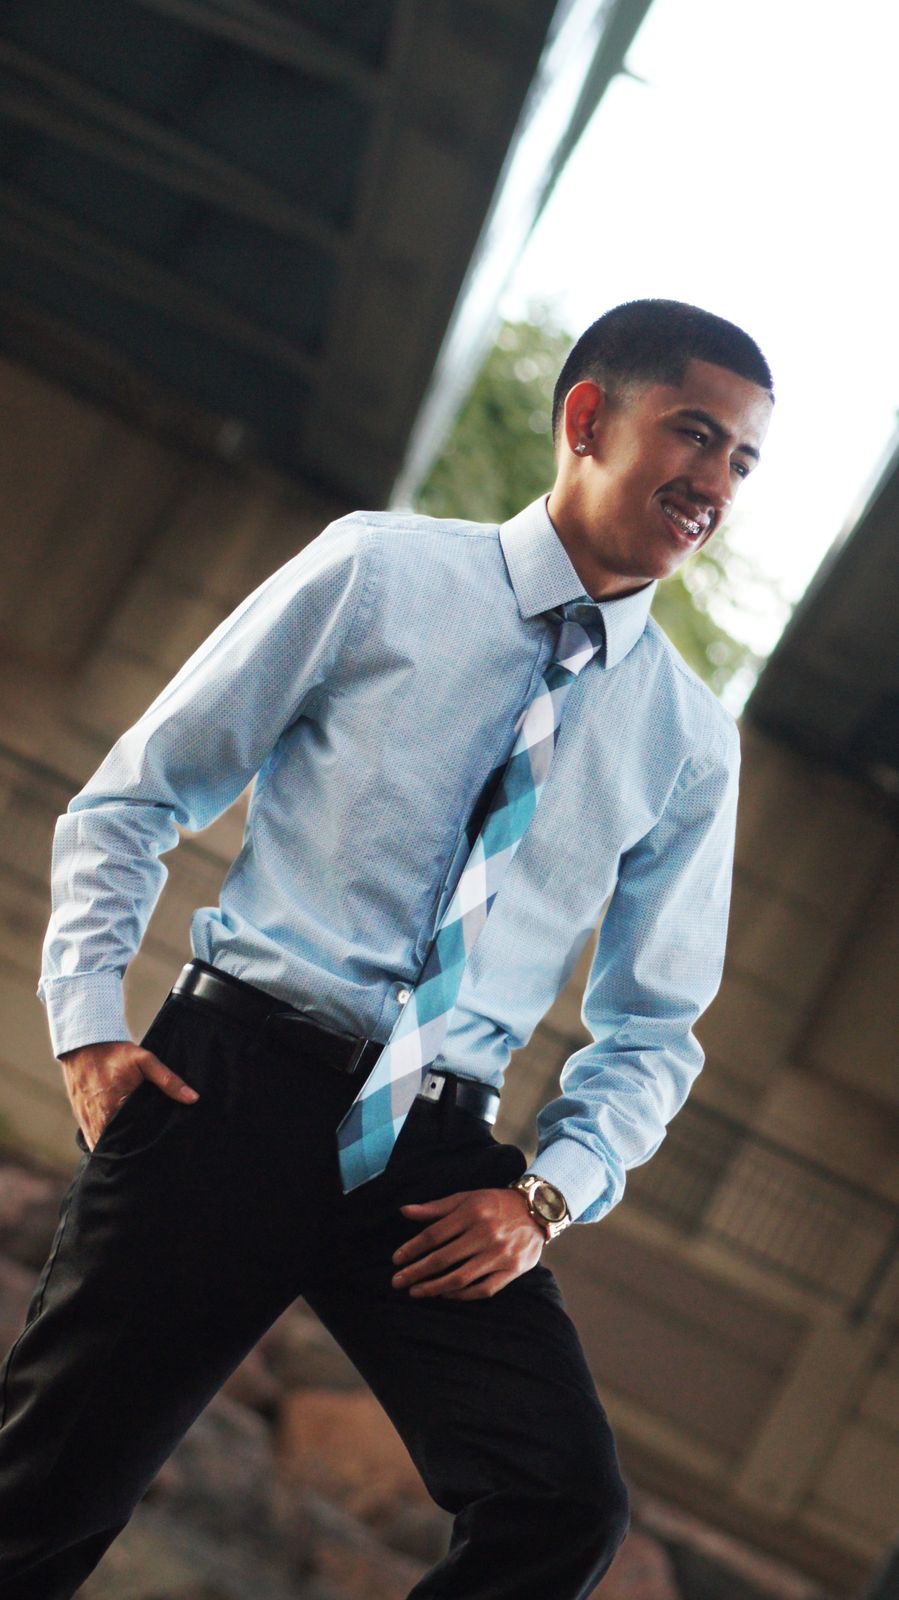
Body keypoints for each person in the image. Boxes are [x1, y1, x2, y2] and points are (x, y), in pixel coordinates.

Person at [0, 298, 773, 1599]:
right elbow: (136, 797)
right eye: (696, 435)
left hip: (437, 1165)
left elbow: (653, 1028)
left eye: (743, 462)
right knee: (40, 1505)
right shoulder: (380, 572)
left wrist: (548, 1197)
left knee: (560, 1507)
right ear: (589, 419)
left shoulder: (690, 742)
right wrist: (86, 1026)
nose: (717, 485)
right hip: (228, 1089)